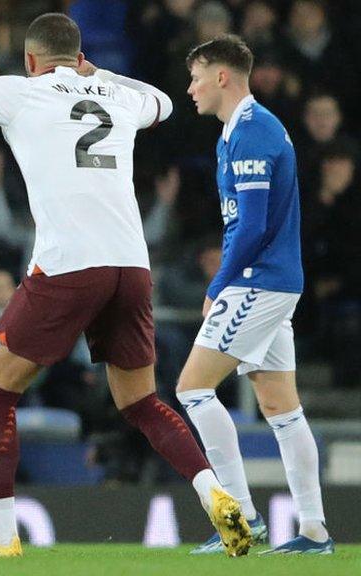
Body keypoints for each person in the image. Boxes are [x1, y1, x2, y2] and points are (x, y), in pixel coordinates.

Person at [0, 12, 248, 558]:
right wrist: (101, 76)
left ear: (31, 59)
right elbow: (165, 101)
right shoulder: (116, 94)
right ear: (79, 54)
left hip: (68, 265)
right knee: (140, 402)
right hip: (131, 267)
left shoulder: (21, 91)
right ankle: (217, 496)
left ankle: (2, 535)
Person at [178, 34, 334, 555]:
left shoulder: (253, 131)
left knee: (193, 389)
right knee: (280, 407)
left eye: (197, 76)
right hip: (271, 279)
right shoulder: (236, 133)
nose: (190, 88)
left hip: (257, 278)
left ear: (222, 77)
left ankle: (240, 518)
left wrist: (219, 282)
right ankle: (314, 531)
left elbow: (252, 226)